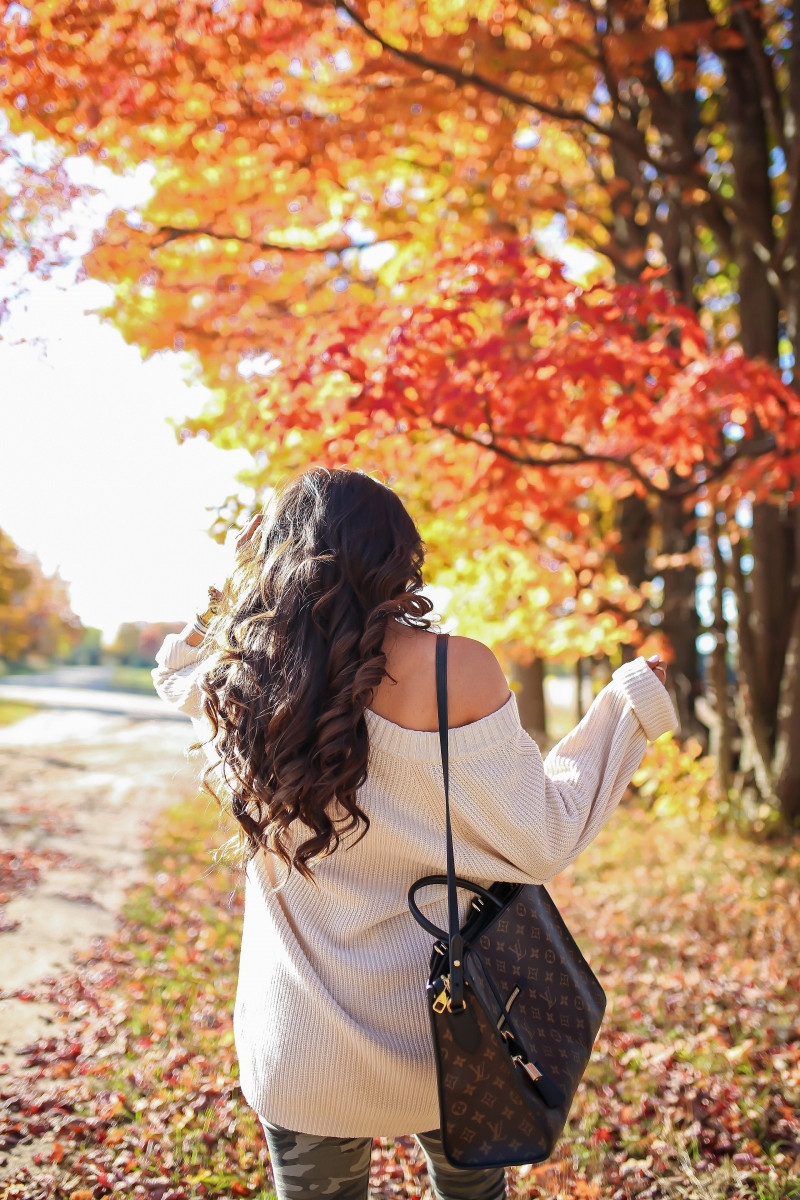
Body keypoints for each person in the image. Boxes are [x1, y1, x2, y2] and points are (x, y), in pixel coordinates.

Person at [152, 467, 676, 1200]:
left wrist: (237, 581)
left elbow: (173, 669)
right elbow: (543, 838)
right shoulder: (454, 670)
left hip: (302, 1047)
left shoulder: (244, 681)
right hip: (455, 1035)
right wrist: (625, 705)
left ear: (277, 559)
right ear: (399, 556)